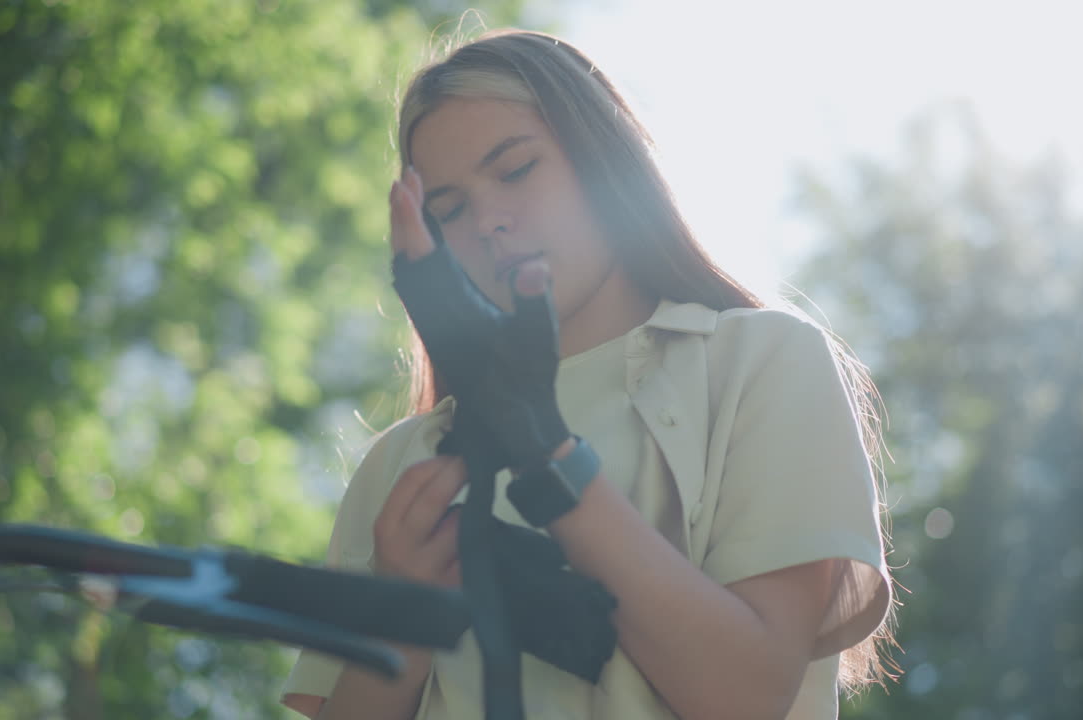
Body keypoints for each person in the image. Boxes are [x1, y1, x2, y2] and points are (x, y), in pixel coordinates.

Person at [282, 28, 895, 720]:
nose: (488, 221)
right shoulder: (402, 468)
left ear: (605, 159)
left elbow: (746, 698)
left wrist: (547, 458)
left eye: (515, 170)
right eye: (448, 210)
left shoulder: (761, 361)